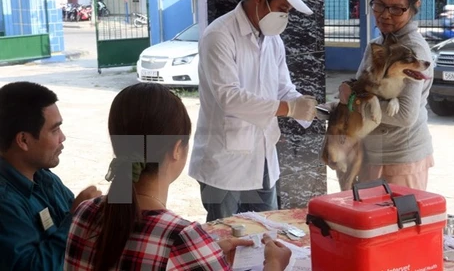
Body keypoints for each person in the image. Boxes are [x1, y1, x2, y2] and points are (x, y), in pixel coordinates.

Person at [64, 83, 292, 270]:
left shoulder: (84, 214)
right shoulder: (181, 238)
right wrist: (274, 265)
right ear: (176, 150)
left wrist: (206, 255)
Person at [188, 0, 318, 222]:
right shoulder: (219, 35)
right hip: (224, 161)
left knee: (267, 233)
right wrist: (288, 109)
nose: (285, 17)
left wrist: (311, 107)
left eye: (288, 12)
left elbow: (283, 87)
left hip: (263, 157)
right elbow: (229, 97)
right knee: (226, 237)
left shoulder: (273, 40)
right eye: (282, 9)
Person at [337, 0, 434, 190]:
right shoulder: (378, 42)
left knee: (396, 224)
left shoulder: (413, 50)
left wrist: (354, 101)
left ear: (414, 6)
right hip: (371, 155)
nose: (385, 15)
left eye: (397, 9)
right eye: (379, 5)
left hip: (400, 159)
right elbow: (363, 86)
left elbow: (404, 115)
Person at [0, 81, 101, 271]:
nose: (63, 137)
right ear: (23, 140)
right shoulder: (5, 203)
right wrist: (77, 220)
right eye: (55, 130)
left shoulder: (45, 178)